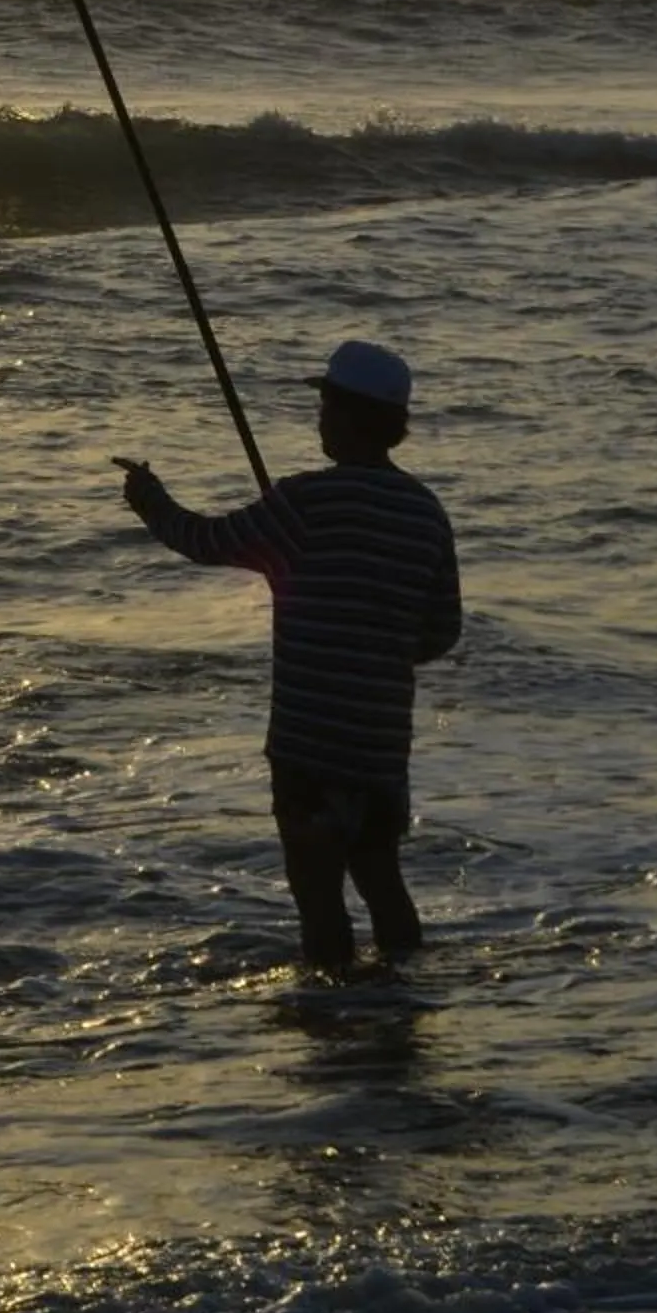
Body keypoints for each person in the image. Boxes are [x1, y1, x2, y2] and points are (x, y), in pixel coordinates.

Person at [116, 339, 460, 975]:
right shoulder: (425, 512)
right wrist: (372, 650)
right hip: (381, 744)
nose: (318, 419)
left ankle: (331, 1016)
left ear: (349, 416)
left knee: (319, 898)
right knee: (383, 882)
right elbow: (442, 632)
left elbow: (205, 540)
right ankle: (404, 1002)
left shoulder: (305, 503)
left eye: (325, 406)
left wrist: (149, 500)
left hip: (309, 745)